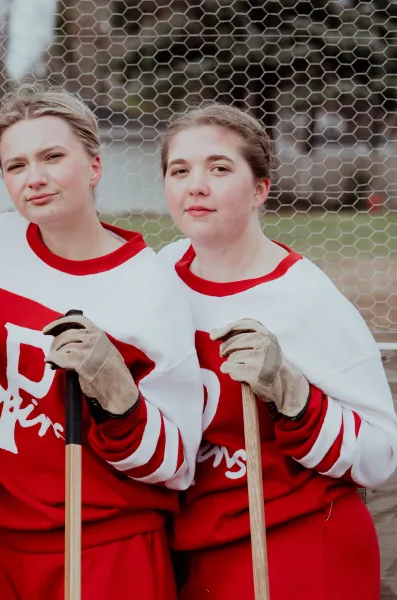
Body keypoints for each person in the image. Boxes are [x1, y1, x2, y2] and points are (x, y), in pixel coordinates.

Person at [0, 85, 204, 600]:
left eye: (53, 157)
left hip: (107, 544)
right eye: (15, 166)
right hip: (5, 538)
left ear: (95, 166)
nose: (34, 178)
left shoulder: (149, 286)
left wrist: (119, 401)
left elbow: (177, 462)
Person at [158, 103, 397, 600]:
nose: (195, 185)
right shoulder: (163, 273)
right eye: (180, 170)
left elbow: (379, 455)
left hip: (298, 543)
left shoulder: (304, 299)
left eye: (219, 168)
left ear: (260, 189)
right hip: (198, 543)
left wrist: (296, 399)